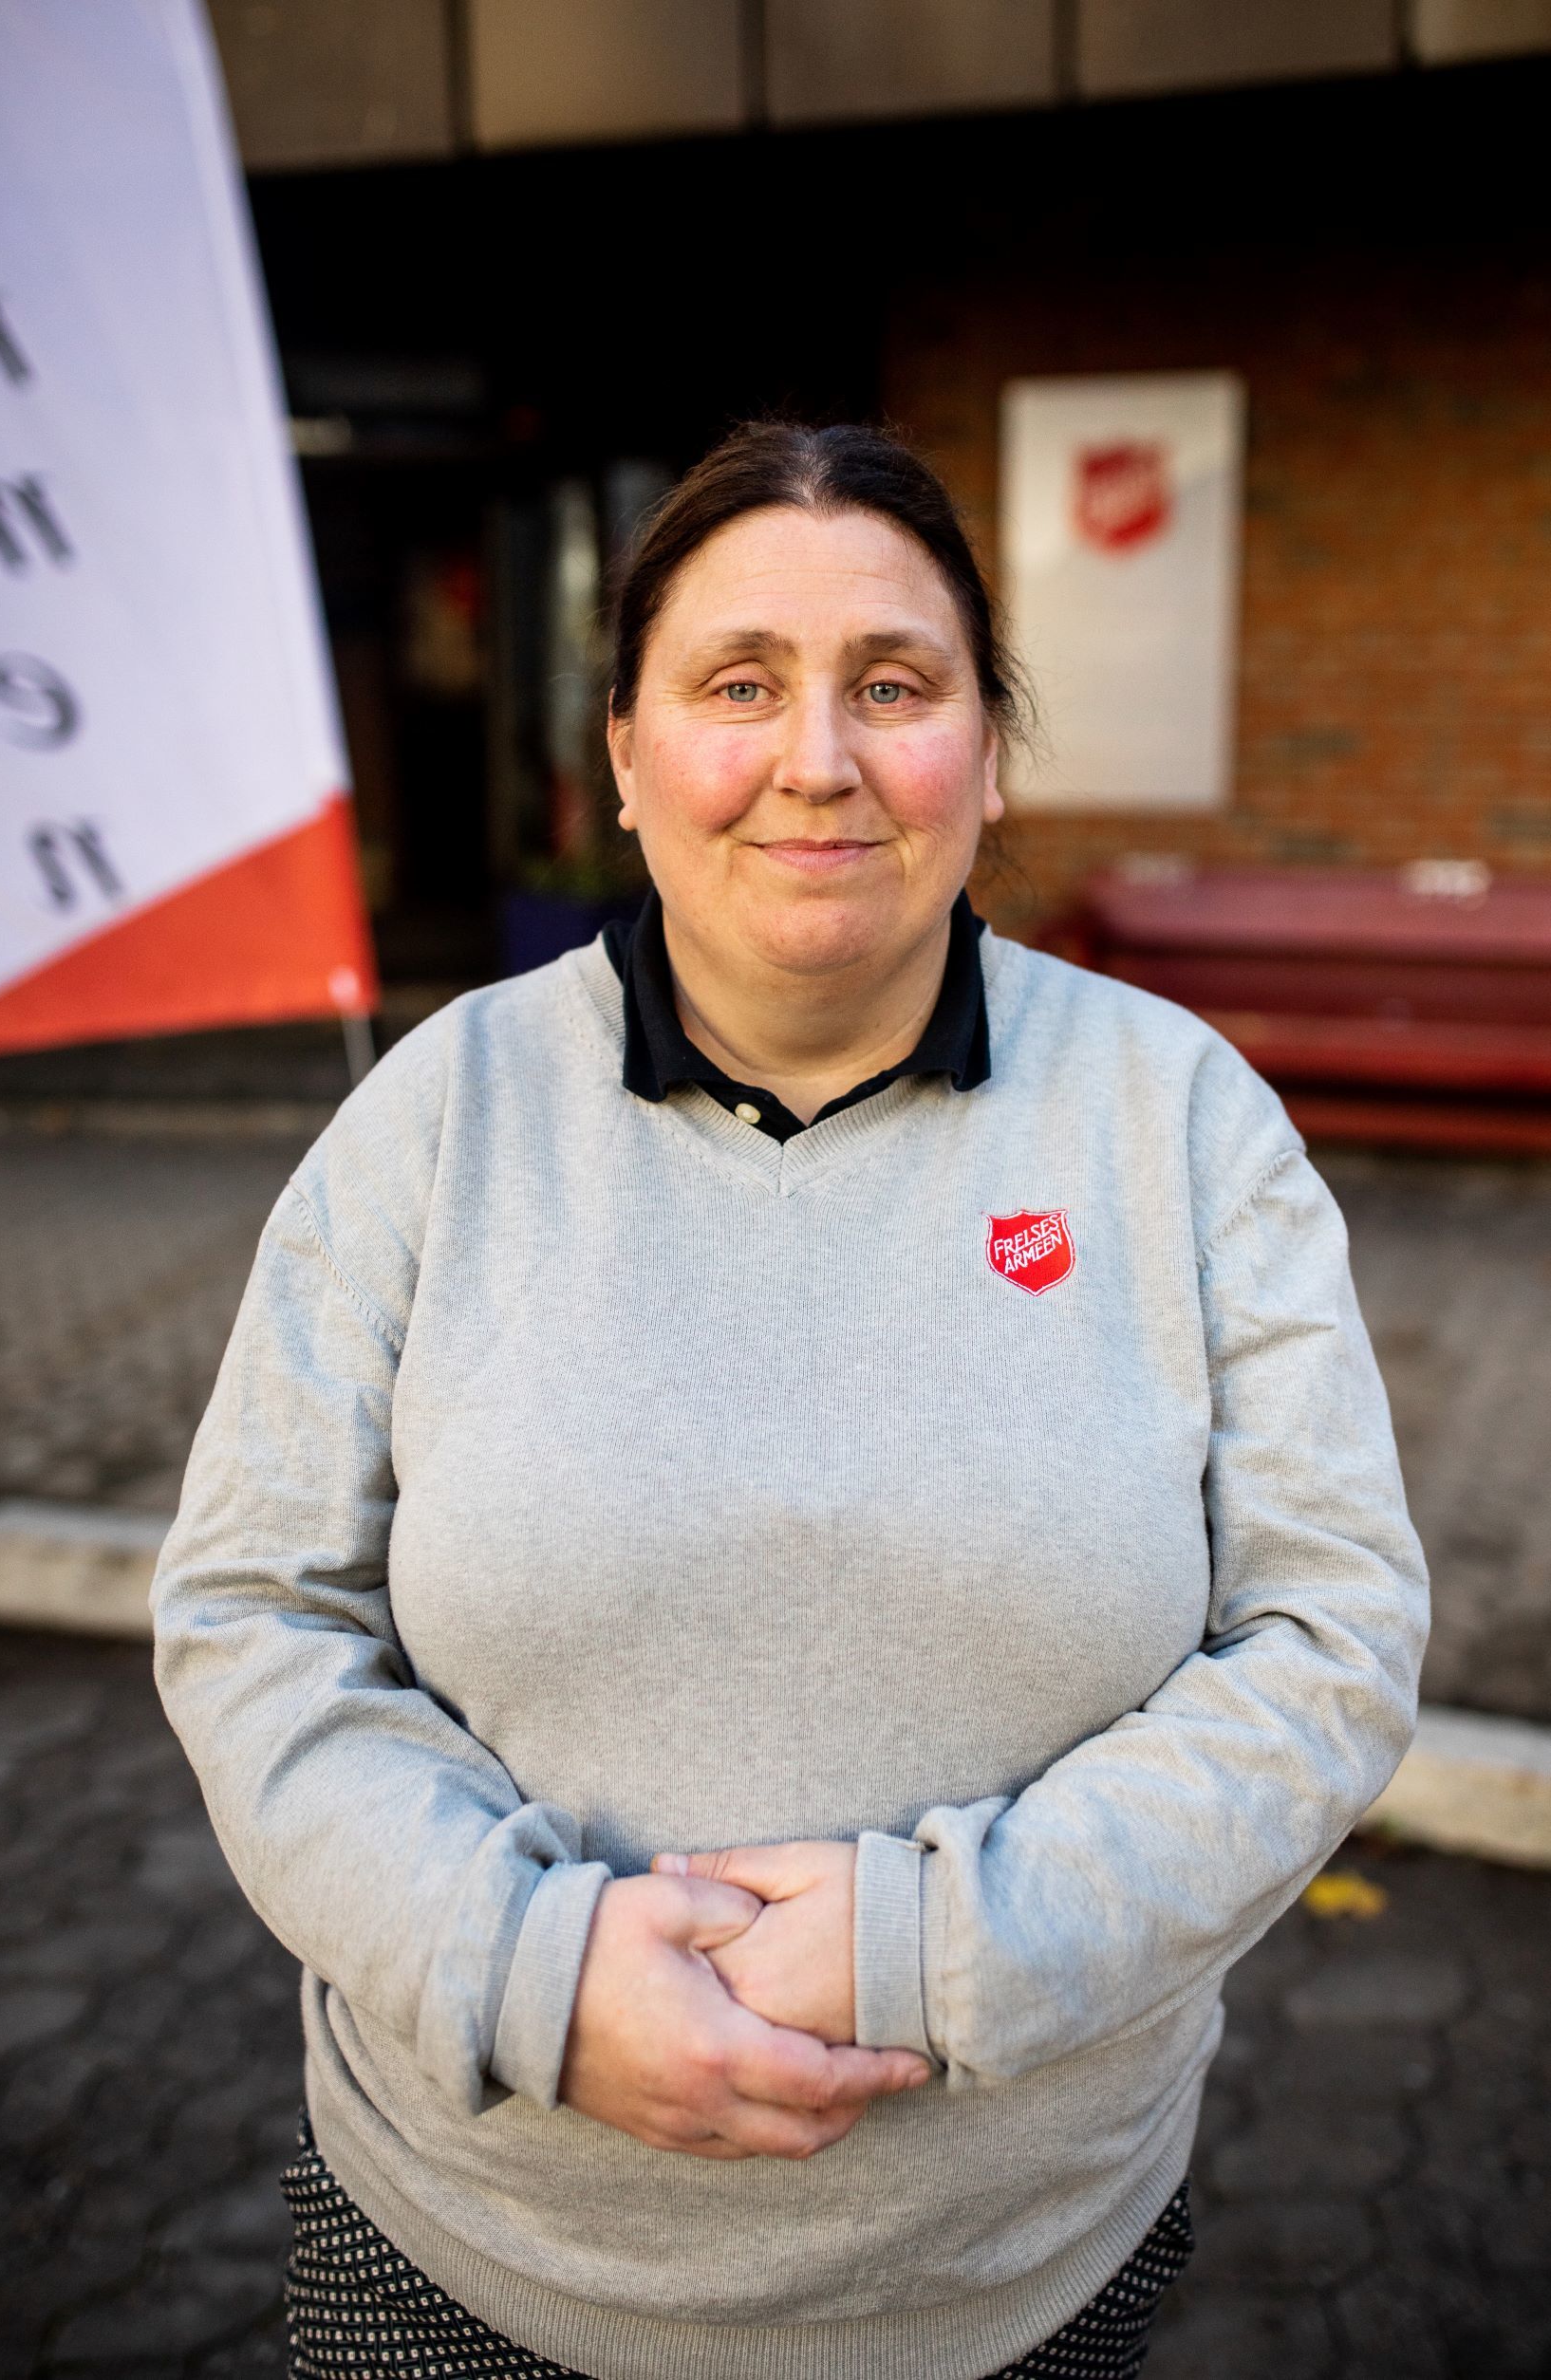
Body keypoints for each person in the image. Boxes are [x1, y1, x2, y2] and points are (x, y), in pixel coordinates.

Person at [152, 421, 1428, 2380]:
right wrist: (534, 1974)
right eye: (736, 684)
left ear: (987, 754)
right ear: (626, 752)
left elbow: (1327, 1639)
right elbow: (254, 1620)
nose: (814, 757)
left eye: (892, 687)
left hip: (1013, 2286)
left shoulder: (1177, 1124)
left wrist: (941, 1943)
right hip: (472, 2265)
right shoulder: (434, 1120)